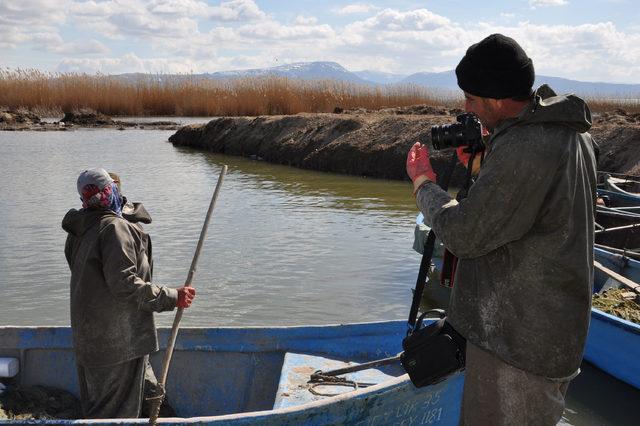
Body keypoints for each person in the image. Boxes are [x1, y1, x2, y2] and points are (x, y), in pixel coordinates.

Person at [406, 34, 597, 425]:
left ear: (495, 99)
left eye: (471, 100)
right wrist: (485, 166)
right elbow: (540, 209)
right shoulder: (575, 134)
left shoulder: (527, 145)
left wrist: (424, 184)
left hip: (517, 346)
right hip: (554, 334)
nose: (466, 108)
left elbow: (464, 235)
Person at [62, 168, 196, 419]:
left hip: (94, 338)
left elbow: (95, 282)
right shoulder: (114, 228)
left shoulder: (79, 230)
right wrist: (172, 297)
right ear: (111, 192)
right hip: (117, 342)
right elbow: (124, 284)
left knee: (149, 396)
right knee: (112, 415)